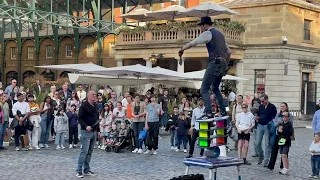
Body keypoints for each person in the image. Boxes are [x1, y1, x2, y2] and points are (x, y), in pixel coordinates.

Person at [179, 16, 231, 119]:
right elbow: (229, 52)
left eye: (201, 27)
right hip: (223, 62)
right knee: (215, 88)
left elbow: (193, 42)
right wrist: (225, 66)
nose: (200, 29)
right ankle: (224, 112)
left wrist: (182, 49)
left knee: (203, 89)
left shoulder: (208, 33)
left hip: (215, 62)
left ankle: (208, 112)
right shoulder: (220, 35)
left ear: (205, 25)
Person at [76, 91, 100, 178]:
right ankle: (79, 170)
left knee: (90, 152)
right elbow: (79, 118)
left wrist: (98, 130)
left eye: (95, 95)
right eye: (93, 94)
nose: (95, 96)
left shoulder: (96, 105)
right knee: (84, 151)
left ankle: (86, 169)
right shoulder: (84, 106)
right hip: (86, 132)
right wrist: (86, 126)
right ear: (88, 96)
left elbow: (97, 118)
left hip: (94, 131)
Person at [268, 103, 293, 170]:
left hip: (285, 135)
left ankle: (283, 166)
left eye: (283, 106)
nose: (282, 107)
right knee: (274, 149)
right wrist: (279, 125)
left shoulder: (289, 115)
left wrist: (281, 124)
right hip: (278, 134)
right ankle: (271, 165)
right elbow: (275, 122)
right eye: (281, 106)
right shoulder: (278, 114)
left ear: (286, 107)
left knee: (284, 151)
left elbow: (290, 123)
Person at [254, 94, 277, 166]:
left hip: (268, 126)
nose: (262, 102)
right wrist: (256, 118)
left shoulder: (272, 107)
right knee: (257, 143)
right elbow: (258, 114)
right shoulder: (261, 106)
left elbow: (275, 117)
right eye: (261, 101)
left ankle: (266, 161)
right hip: (260, 125)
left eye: (263, 101)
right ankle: (261, 154)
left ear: (267, 99)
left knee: (267, 144)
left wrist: (273, 124)